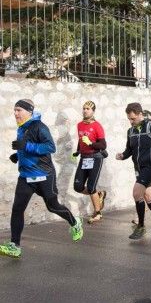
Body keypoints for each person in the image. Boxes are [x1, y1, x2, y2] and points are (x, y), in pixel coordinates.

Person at [0, 99, 83, 259]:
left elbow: (50, 147)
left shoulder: (39, 126)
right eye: (14, 110)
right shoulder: (22, 128)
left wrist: (26, 147)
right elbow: (26, 146)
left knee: (53, 206)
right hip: (26, 176)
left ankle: (74, 222)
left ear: (29, 111)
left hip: (44, 175)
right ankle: (14, 246)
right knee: (17, 209)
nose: (15, 113)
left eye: (19, 110)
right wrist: (17, 155)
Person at [116, 102, 151, 239]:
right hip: (139, 168)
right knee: (147, 196)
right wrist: (123, 156)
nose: (131, 121)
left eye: (133, 119)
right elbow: (129, 150)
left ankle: (141, 226)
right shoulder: (131, 131)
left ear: (140, 114)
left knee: (136, 193)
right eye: (129, 119)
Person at [72, 101, 108, 224]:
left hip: (95, 157)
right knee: (78, 187)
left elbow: (103, 145)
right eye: (84, 108)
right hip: (84, 158)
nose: (85, 110)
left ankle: (98, 213)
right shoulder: (79, 125)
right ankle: (99, 195)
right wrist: (77, 151)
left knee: (91, 186)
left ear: (93, 111)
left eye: (88, 108)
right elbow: (81, 140)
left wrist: (91, 143)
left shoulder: (97, 126)